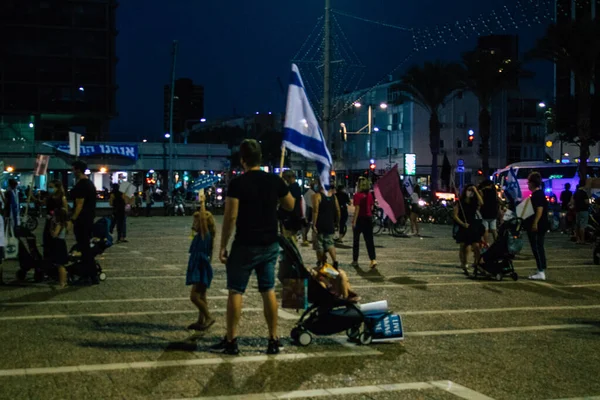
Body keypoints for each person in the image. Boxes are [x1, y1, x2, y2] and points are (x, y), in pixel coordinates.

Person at [211, 139, 294, 355]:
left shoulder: (238, 184)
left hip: (245, 244)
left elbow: (230, 216)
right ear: (261, 158)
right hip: (269, 244)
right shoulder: (274, 181)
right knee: (268, 290)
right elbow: (291, 205)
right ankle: (273, 339)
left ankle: (231, 340)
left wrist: (222, 245)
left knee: (236, 291)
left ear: (242, 160)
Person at [186, 194, 217, 331]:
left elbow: (203, 221)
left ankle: (208, 317)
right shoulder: (201, 235)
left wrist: (202, 203)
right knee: (202, 296)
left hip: (201, 267)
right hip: (199, 266)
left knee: (194, 296)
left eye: (196, 221)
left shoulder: (206, 234)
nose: (194, 223)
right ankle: (201, 321)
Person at [68, 160, 98, 284]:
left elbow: (79, 205)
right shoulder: (88, 183)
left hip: (82, 220)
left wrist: (72, 219)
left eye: (73, 169)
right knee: (85, 248)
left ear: (78, 170)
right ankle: (91, 275)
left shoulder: (82, 185)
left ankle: (88, 275)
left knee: (84, 248)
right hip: (88, 219)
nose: (72, 171)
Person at [453, 184, 484, 274]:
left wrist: (476, 191)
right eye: (469, 190)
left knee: (476, 246)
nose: (470, 192)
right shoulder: (460, 202)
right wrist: (463, 224)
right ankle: (464, 263)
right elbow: (455, 215)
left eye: (472, 191)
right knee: (464, 246)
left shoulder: (474, 202)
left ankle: (477, 264)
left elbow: (481, 203)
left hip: (473, 225)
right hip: (463, 225)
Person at [525, 172, 549, 280]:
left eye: (528, 182)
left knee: (537, 247)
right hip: (540, 225)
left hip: (538, 226)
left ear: (533, 183)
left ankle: (541, 271)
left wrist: (535, 223)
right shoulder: (538, 194)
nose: (527, 184)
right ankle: (541, 269)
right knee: (538, 247)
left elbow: (539, 209)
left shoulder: (538, 195)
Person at [312, 179, 341, 267]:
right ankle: (335, 261)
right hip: (330, 224)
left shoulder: (317, 196)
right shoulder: (333, 197)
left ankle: (320, 262)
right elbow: (338, 210)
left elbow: (315, 211)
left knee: (319, 245)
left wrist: (314, 224)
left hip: (320, 224)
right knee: (330, 243)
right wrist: (337, 222)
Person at [351, 177, 377, 269]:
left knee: (356, 241)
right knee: (369, 240)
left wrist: (354, 221)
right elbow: (372, 207)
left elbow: (357, 209)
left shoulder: (357, 195)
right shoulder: (370, 195)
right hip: (368, 219)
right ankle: (373, 259)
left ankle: (355, 260)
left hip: (360, 219)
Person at [40, 180, 69, 260]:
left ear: (57, 188)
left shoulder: (62, 198)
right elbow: (41, 203)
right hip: (49, 222)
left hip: (58, 223)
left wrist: (66, 225)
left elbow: (66, 212)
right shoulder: (48, 198)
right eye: (49, 187)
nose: (49, 189)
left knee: (56, 241)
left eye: (51, 187)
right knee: (47, 240)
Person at [279, 170, 304, 240]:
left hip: (290, 217)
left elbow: (288, 203)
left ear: (288, 178)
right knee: (292, 238)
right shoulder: (297, 188)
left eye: (285, 178)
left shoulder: (291, 189)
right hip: (294, 216)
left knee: (289, 238)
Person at [49, 208, 69, 288]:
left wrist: (51, 229)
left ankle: (62, 282)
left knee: (60, 265)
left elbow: (54, 235)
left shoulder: (59, 224)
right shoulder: (64, 224)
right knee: (61, 264)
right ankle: (63, 281)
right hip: (62, 243)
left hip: (58, 244)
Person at [480, 180, 499, 244]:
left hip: (485, 212)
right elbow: (497, 201)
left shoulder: (482, 191)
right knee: (494, 229)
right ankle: (497, 243)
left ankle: (486, 243)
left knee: (485, 230)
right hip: (493, 212)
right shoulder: (494, 192)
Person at [301, 182, 317, 247]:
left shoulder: (309, 192)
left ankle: (305, 238)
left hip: (308, 209)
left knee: (307, 224)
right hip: (308, 210)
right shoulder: (312, 193)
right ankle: (304, 238)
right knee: (307, 224)